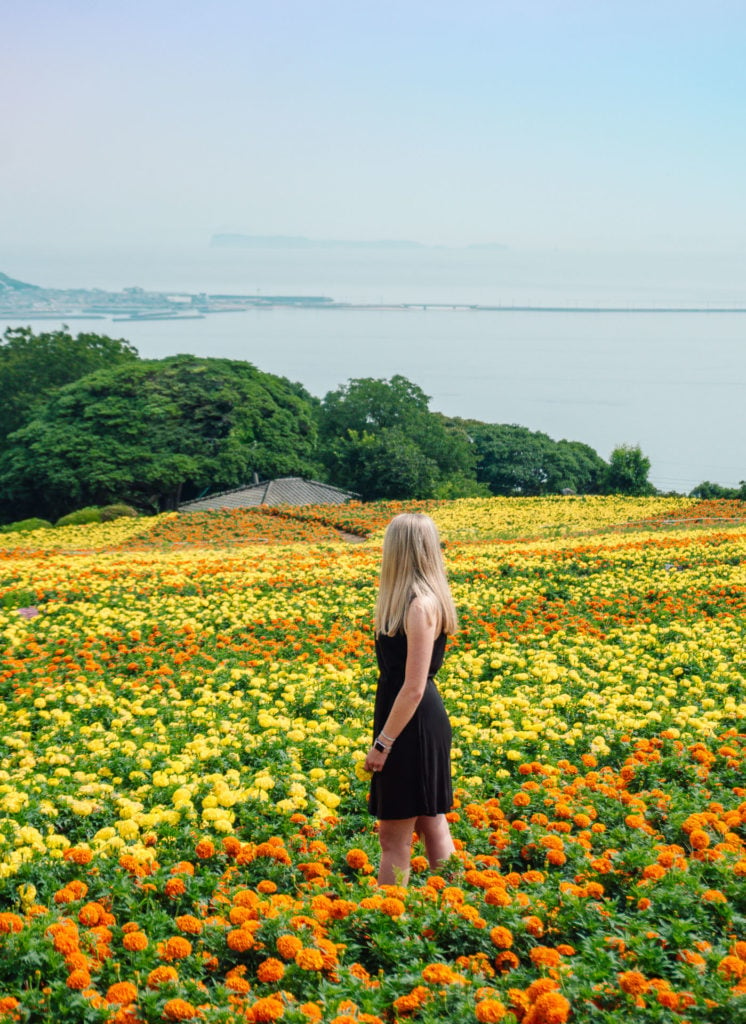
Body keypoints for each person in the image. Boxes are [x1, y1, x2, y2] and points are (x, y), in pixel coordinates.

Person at [364, 513, 458, 885]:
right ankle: (454, 910)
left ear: (399, 550)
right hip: (413, 721)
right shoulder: (421, 600)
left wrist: (383, 744)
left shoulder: (419, 606)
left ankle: (388, 925)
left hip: (411, 726)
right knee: (430, 821)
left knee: (393, 836)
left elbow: (413, 686)